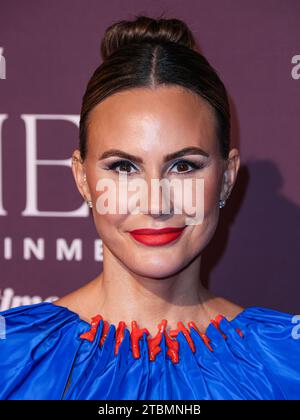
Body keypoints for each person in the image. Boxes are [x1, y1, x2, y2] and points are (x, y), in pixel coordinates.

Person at [0, 14, 299, 400]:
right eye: (123, 167)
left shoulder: (286, 363)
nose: (156, 202)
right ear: (81, 177)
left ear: (226, 178)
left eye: (184, 166)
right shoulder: (13, 357)